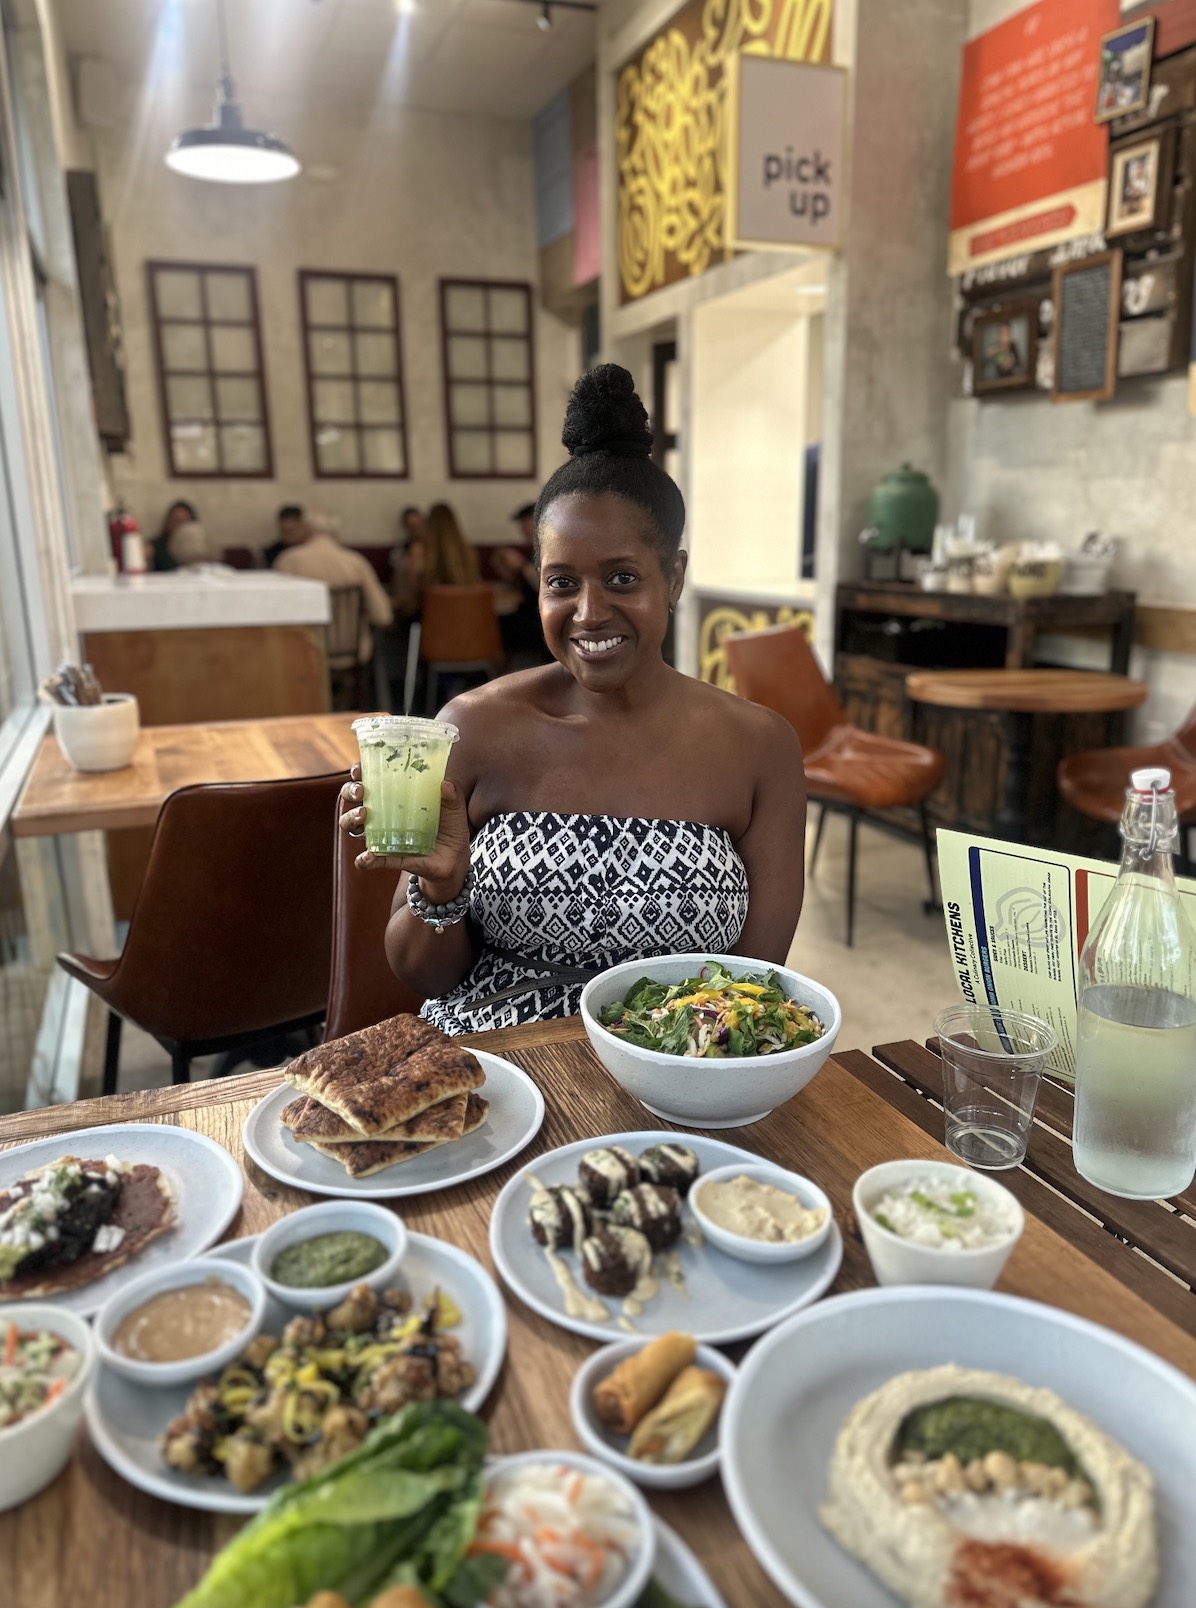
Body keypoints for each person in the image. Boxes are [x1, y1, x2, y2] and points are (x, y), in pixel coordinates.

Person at [339, 363, 806, 1034]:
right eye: (561, 583)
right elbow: (423, 974)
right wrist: (439, 889)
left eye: (621, 577)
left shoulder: (760, 747)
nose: (589, 613)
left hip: (675, 1077)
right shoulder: (472, 728)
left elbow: (757, 985)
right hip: (490, 1079)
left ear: (672, 577)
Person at [275, 511, 393, 662]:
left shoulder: (288, 561)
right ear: (335, 532)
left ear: (306, 530)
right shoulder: (355, 562)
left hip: (305, 652)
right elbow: (382, 615)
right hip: (352, 652)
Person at [492, 502, 550, 666]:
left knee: (497, 624)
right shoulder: (534, 550)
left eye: (524, 523)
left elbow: (544, 586)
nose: (521, 529)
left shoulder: (549, 548)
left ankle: (501, 671)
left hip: (538, 618)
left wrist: (521, 565)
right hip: (531, 612)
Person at [150, 499, 197, 572]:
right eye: (176, 520)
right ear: (168, 522)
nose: (181, 526)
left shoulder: (197, 554)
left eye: (185, 522)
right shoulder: (154, 547)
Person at [264, 503, 305, 569]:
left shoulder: (310, 550)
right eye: (284, 531)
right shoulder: (273, 552)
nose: (288, 536)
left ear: (302, 526)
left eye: (291, 531)